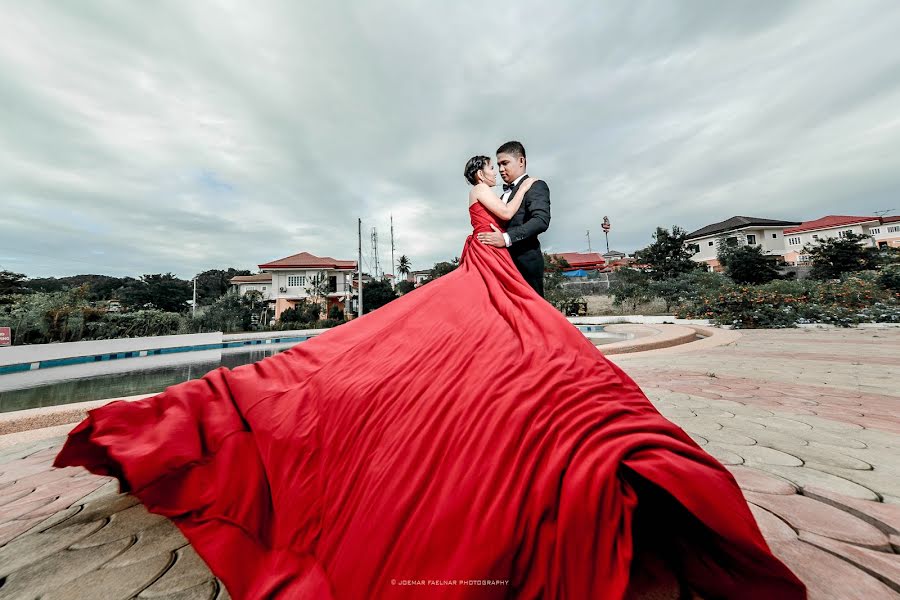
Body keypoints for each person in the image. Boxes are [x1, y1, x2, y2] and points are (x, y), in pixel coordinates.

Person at [55, 154, 805, 599]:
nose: (492, 174)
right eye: (486, 168)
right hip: (491, 258)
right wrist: (522, 181)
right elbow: (510, 212)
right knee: (496, 323)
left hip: (495, 261)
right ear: (478, 174)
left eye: (494, 167)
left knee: (512, 328)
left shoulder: (488, 198)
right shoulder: (489, 194)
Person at [476, 141, 550, 297]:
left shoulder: (536, 186)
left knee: (533, 315)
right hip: (501, 264)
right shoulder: (502, 196)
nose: (501, 170)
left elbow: (541, 220)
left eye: (505, 163)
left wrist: (506, 238)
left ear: (521, 161)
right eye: (498, 165)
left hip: (525, 263)